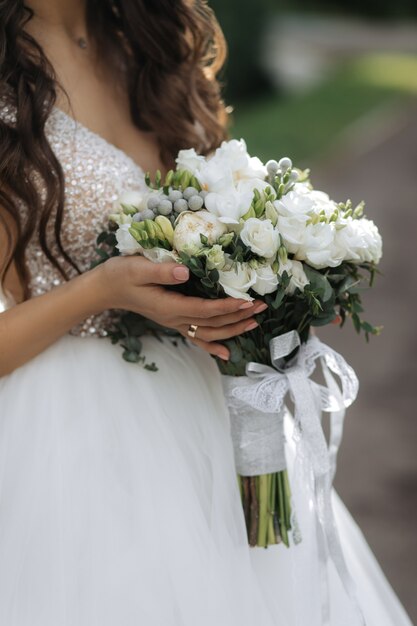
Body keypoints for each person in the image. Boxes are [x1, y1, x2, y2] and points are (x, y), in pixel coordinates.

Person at [0, 1, 413, 625]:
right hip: (72, 442)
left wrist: (285, 291)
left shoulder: (147, 33)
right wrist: (101, 290)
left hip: (208, 406)